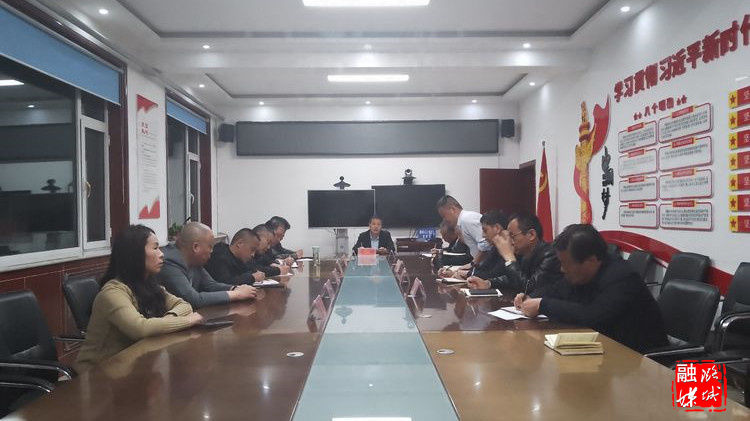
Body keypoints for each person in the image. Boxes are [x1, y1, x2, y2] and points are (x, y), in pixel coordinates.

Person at [515, 224, 668, 354]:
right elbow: (557, 289)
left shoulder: (621, 277)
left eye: (565, 263)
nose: (562, 269)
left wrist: (543, 305)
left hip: (640, 357)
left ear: (591, 260)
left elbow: (593, 316)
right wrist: (530, 297)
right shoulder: (584, 272)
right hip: (605, 349)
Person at [75, 225, 204, 371]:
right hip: (97, 372)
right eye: (155, 248)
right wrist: (187, 321)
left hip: (131, 365)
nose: (162, 254)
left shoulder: (148, 285)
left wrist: (170, 318)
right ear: (135, 254)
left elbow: (185, 305)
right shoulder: (112, 293)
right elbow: (140, 328)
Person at [158, 222, 257, 308]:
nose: (212, 251)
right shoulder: (170, 262)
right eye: (210, 246)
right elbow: (193, 299)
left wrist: (235, 288)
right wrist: (237, 294)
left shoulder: (194, 260)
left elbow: (211, 285)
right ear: (196, 247)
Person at [467, 212, 563, 294]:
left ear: (531, 235)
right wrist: (488, 283)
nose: (511, 242)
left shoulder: (550, 255)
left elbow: (529, 288)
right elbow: (512, 279)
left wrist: (509, 257)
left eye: (512, 236)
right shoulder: (525, 253)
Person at [439, 210, 508, 280]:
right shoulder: (495, 248)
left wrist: (466, 274)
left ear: (497, 228)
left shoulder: (508, 249)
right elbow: (483, 268)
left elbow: (491, 275)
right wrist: (455, 273)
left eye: (485, 230)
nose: (483, 235)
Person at [436, 195, 490, 265]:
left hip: (488, 266)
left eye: (444, 216)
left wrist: (473, 265)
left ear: (452, 209)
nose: (444, 220)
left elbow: (485, 244)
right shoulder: (462, 223)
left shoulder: (467, 219)